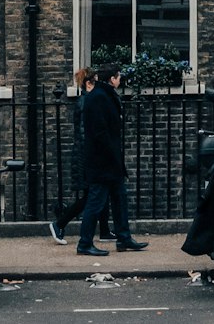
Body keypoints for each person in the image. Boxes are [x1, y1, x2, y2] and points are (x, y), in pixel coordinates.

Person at [76, 62, 148, 256]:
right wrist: (112, 156)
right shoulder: (99, 98)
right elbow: (100, 133)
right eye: (118, 76)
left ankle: (124, 238)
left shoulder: (104, 95)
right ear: (112, 79)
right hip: (103, 161)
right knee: (96, 202)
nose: (120, 80)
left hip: (110, 160)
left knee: (119, 199)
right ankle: (84, 243)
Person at [48, 68, 113, 245]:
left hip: (87, 155)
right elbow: (86, 134)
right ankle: (59, 223)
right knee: (92, 195)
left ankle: (105, 231)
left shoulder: (88, 100)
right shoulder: (86, 102)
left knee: (101, 191)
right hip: (87, 157)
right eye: (97, 82)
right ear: (89, 83)